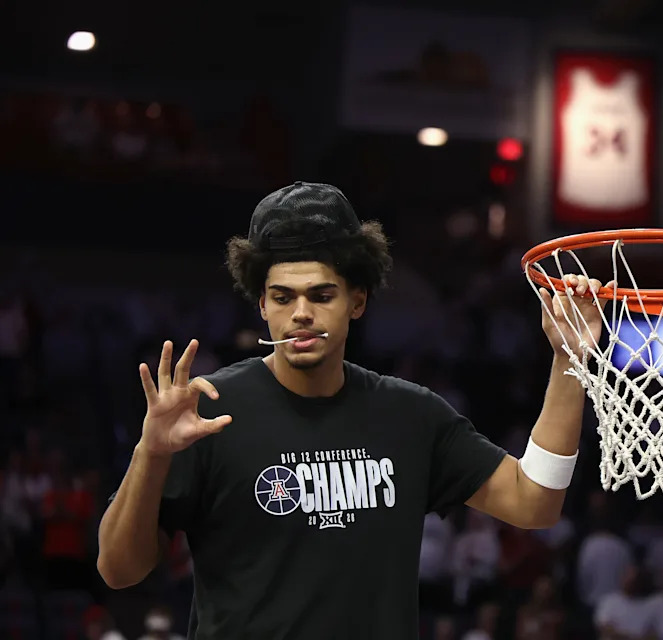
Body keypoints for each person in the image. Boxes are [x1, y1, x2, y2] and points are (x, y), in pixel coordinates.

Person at [96, 182, 608, 639]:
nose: (301, 313)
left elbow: (535, 503)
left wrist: (568, 359)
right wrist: (150, 453)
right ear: (262, 305)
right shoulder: (204, 412)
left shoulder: (410, 415)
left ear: (357, 301)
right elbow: (118, 570)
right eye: (282, 297)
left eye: (322, 295)